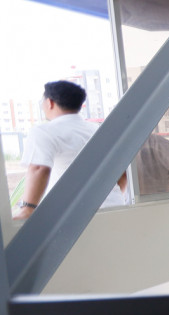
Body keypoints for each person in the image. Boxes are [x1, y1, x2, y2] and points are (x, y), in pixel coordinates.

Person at [14, 80, 126, 219]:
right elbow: (122, 172)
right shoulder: (99, 130)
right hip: (115, 208)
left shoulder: (44, 131)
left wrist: (27, 208)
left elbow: (39, 168)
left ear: (49, 102)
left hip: (73, 215)